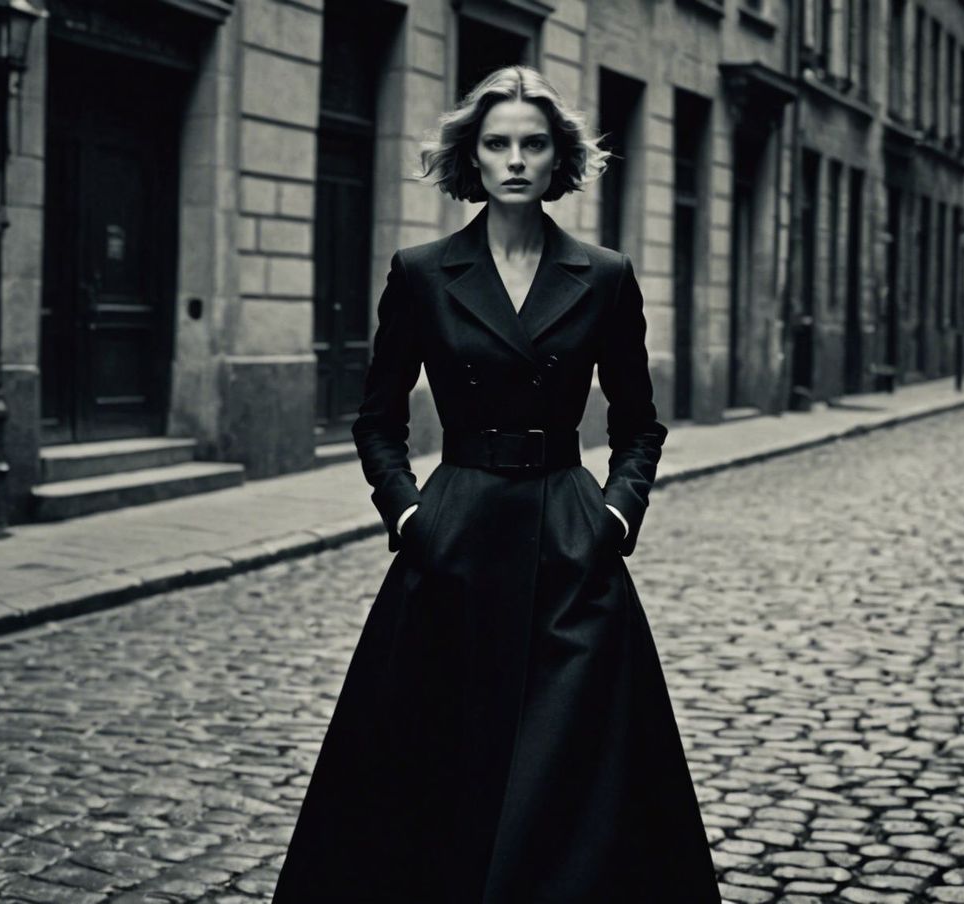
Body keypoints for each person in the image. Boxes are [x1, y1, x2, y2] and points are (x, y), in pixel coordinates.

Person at [271, 65, 720, 903]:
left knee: (573, 774)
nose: (515, 159)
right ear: (472, 158)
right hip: (455, 541)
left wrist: (617, 517)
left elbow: (639, 423)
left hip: (570, 544)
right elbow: (376, 419)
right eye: (498, 143)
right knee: (434, 767)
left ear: (560, 160)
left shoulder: (606, 276)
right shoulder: (422, 272)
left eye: (533, 144)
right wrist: (407, 515)